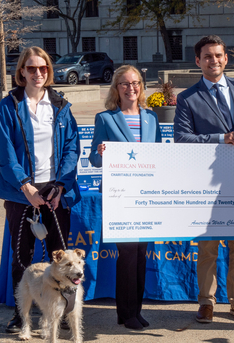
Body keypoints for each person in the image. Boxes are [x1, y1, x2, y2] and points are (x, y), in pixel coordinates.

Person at [174, 35, 234, 323]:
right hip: (206, 182)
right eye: (207, 56)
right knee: (208, 246)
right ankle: (206, 301)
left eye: (218, 55)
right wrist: (220, 138)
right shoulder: (187, 98)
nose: (213, 60)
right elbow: (181, 139)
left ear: (226, 59)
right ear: (198, 61)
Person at [0, 46, 81, 333]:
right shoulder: (9, 106)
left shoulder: (60, 105)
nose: (38, 73)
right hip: (22, 190)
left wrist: (60, 185)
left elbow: (72, 148)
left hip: (55, 189)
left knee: (60, 258)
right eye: (31, 68)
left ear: (49, 71)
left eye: (43, 68)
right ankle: (22, 316)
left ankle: (61, 313)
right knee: (23, 258)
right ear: (21, 72)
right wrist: (24, 185)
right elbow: (5, 153)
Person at [89, 65, 161, 330]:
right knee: (128, 253)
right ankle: (126, 312)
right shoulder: (106, 118)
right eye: (125, 84)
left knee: (142, 253)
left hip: (146, 195)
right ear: (116, 88)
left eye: (136, 83)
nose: (131, 88)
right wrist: (100, 152)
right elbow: (94, 160)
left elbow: (159, 156)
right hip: (120, 197)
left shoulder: (152, 118)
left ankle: (136, 310)